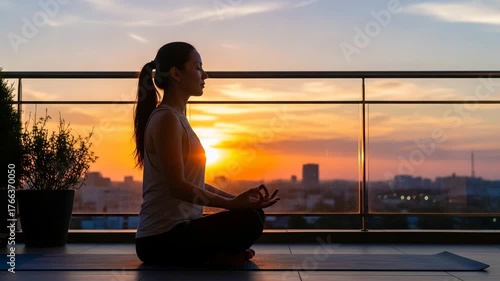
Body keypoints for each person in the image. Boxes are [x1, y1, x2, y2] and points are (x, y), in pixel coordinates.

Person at [133, 42, 280, 267]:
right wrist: (232, 205)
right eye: (198, 67)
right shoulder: (166, 119)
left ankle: (216, 255)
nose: (205, 75)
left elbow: (195, 183)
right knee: (249, 220)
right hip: (159, 240)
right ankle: (215, 257)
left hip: (180, 230)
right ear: (176, 74)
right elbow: (178, 187)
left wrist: (235, 200)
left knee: (254, 213)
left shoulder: (177, 118)